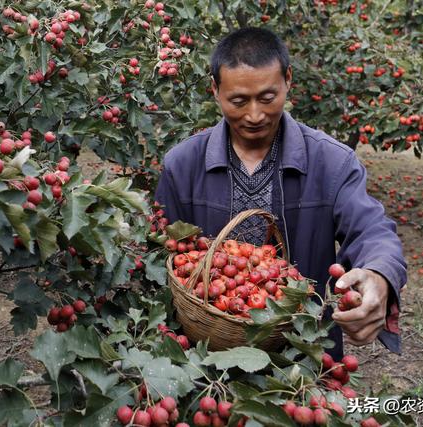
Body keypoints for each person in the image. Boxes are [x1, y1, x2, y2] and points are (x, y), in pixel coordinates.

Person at [154, 27, 407, 359]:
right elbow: (164, 254)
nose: (255, 115)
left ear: (288, 80)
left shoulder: (332, 163)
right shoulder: (182, 165)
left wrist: (378, 274)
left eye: (267, 97)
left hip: (302, 352)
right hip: (205, 351)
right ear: (215, 90)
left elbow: (372, 228)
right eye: (238, 101)